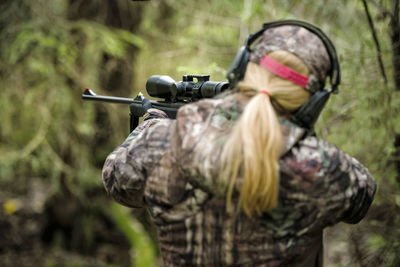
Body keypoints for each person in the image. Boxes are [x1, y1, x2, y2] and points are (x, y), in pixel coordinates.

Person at [102, 20, 376, 266]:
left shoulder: (161, 141)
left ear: (242, 69)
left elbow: (118, 182)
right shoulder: (324, 168)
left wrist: (153, 125)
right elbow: (362, 197)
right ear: (314, 102)